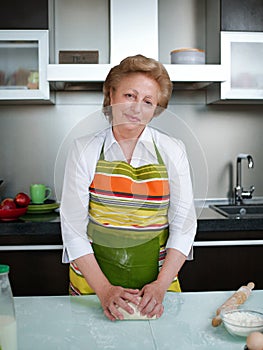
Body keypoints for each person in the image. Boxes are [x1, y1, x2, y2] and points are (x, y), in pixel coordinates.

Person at [60, 54, 197, 321]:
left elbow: (184, 225)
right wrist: (104, 290)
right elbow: (73, 229)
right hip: (93, 287)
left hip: (156, 289)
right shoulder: (84, 149)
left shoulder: (172, 150)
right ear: (111, 95)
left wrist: (160, 287)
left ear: (156, 108)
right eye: (130, 96)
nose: (137, 108)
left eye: (148, 101)